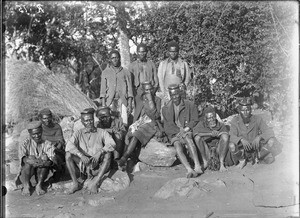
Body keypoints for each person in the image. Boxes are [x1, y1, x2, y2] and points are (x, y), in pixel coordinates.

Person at [65, 108, 116, 194]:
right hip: (84, 165)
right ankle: (75, 184)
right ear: (82, 122)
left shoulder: (101, 132)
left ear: (93, 120)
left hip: (98, 164)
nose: (89, 122)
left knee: (108, 154)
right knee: (68, 155)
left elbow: (112, 143)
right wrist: (81, 155)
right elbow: (69, 146)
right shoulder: (78, 133)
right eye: (86, 121)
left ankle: (96, 182)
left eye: (91, 120)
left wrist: (100, 152)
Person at [117, 81, 163, 170]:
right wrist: (135, 124)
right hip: (140, 122)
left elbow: (155, 116)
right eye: (146, 90)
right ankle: (126, 160)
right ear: (143, 90)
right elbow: (137, 115)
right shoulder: (139, 98)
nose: (149, 91)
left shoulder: (157, 100)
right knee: (128, 134)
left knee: (136, 135)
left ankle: (124, 158)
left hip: (151, 123)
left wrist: (150, 101)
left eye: (150, 89)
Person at [162, 84, 202, 178]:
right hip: (175, 133)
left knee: (188, 139)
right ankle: (189, 169)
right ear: (170, 96)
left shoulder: (189, 104)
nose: (175, 97)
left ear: (180, 93)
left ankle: (197, 165)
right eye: (172, 95)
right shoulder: (166, 109)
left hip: (186, 129)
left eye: (176, 94)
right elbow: (167, 126)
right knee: (177, 146)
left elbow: (195, 119)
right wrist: (178, 132)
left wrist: (186, 129)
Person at [229, 97, 282, 169]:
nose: (245, 112)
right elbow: (232, 136)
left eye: (247, 110)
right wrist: (241, 139)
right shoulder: (235, 121)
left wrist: (259, 137)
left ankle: (259, 157)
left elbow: (268, 131)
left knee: (271, 142)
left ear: (250, 110)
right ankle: (242, 160)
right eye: (243, 110)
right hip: (243, 149)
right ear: (239, 111)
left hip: (255, 147)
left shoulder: (257, 119)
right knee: (231, 145)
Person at [15, 121, 56, 196]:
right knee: (30, 158)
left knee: (44, 158)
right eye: (34, 134)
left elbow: (52, 159)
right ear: (30, 133)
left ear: (42, 131)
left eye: (39, 133)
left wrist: (44, 162)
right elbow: (23, 158)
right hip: (28, 169)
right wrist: (32, 161)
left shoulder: (47, 143)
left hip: (41, 170)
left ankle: (39, 185)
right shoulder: (25, 143)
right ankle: (26, 185)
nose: (37, 136)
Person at [99, 50, 133, 126]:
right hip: (109, 102)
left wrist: (129, 105)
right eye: (112, 58)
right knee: (111, 124)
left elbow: (130, 91)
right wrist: (104, 106)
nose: (115, 59)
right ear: (110, 59)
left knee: (123, 124)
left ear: (119, 58)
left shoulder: (126, 72)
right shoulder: (105, 72)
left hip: (123, 101)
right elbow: (102, 91)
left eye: (116, 57)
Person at [194, 106, 232, 172]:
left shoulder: (220, 125)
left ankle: (221, 163)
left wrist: (219, 133)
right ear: (205, 119)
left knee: (225, 137)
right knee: (197, 138)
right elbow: (195, 133)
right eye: (209, 118)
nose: (212, 119)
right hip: (207, 151)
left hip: (218, 150)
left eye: (213, 117)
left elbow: (226, 133)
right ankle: (205, 161)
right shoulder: (201, 124)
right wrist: (210, 134)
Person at [157, 41, 190, 105]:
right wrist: (164, 93)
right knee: (168, 112)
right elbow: (160, 79)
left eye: (175, 51)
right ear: (168, 52)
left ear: (178, 52)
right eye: (171, 51)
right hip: (167, 94)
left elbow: (187, 79)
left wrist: (182, 90)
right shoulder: (163, 64)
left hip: (179, 94)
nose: (173, 53)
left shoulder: (183, 64)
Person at [39, 108, 65, 182]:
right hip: (42, 151)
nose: (47, 120)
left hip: (56, 150)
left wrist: (54, 149)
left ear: (51, 117)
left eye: (48, 118)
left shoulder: (56, 127)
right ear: (41, 119)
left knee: (55, 159)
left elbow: (60, 142)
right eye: (44, 118)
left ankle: (58, 171)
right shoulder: (39, 128)